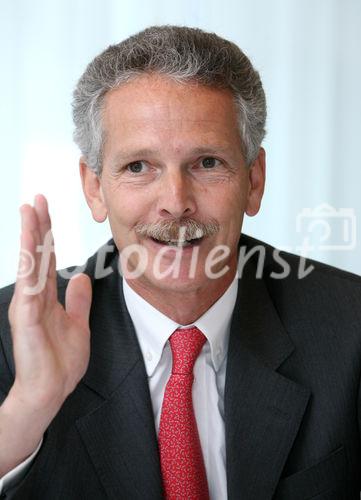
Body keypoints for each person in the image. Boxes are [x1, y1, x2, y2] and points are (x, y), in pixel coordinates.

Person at [0, 25, 360, 500]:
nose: (175, 202)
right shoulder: (14, 339)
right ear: (93, 186)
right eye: (138, 167)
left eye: (207, 163)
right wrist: (26, 410)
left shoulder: (350, 324)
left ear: (254, 180)